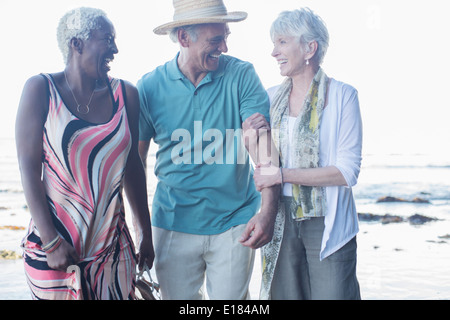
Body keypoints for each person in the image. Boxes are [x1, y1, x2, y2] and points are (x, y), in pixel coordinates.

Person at [137, 0, 279, 300]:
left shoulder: (242, 75)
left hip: (234, 221)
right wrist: (140, 231)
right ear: (183, 38)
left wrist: (268, 211)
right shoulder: (149, 87)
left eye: (226, 36)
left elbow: (260, 142)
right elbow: (135, 164)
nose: (224, 47)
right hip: (172, 223)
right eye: (215, 40)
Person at [15, 7, 154, 300]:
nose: (115, 48)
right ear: (76, 44)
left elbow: (132, 167)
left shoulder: (125, 94)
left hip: (112, 249)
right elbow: (28, 170)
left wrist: (145, 231)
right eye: (107, 39)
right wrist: (51, 242)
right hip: (54, 250)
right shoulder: (41, 89)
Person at [253, 8, 363, 300]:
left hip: (327, 217)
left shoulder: (342, 96)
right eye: (274, 43)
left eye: (282, 42)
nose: (274, 52)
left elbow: (346, 172)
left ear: (309, 48)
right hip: (279, 216)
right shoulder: (269, 96)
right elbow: (262, 166)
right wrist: (250, 136)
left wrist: (282, 175)